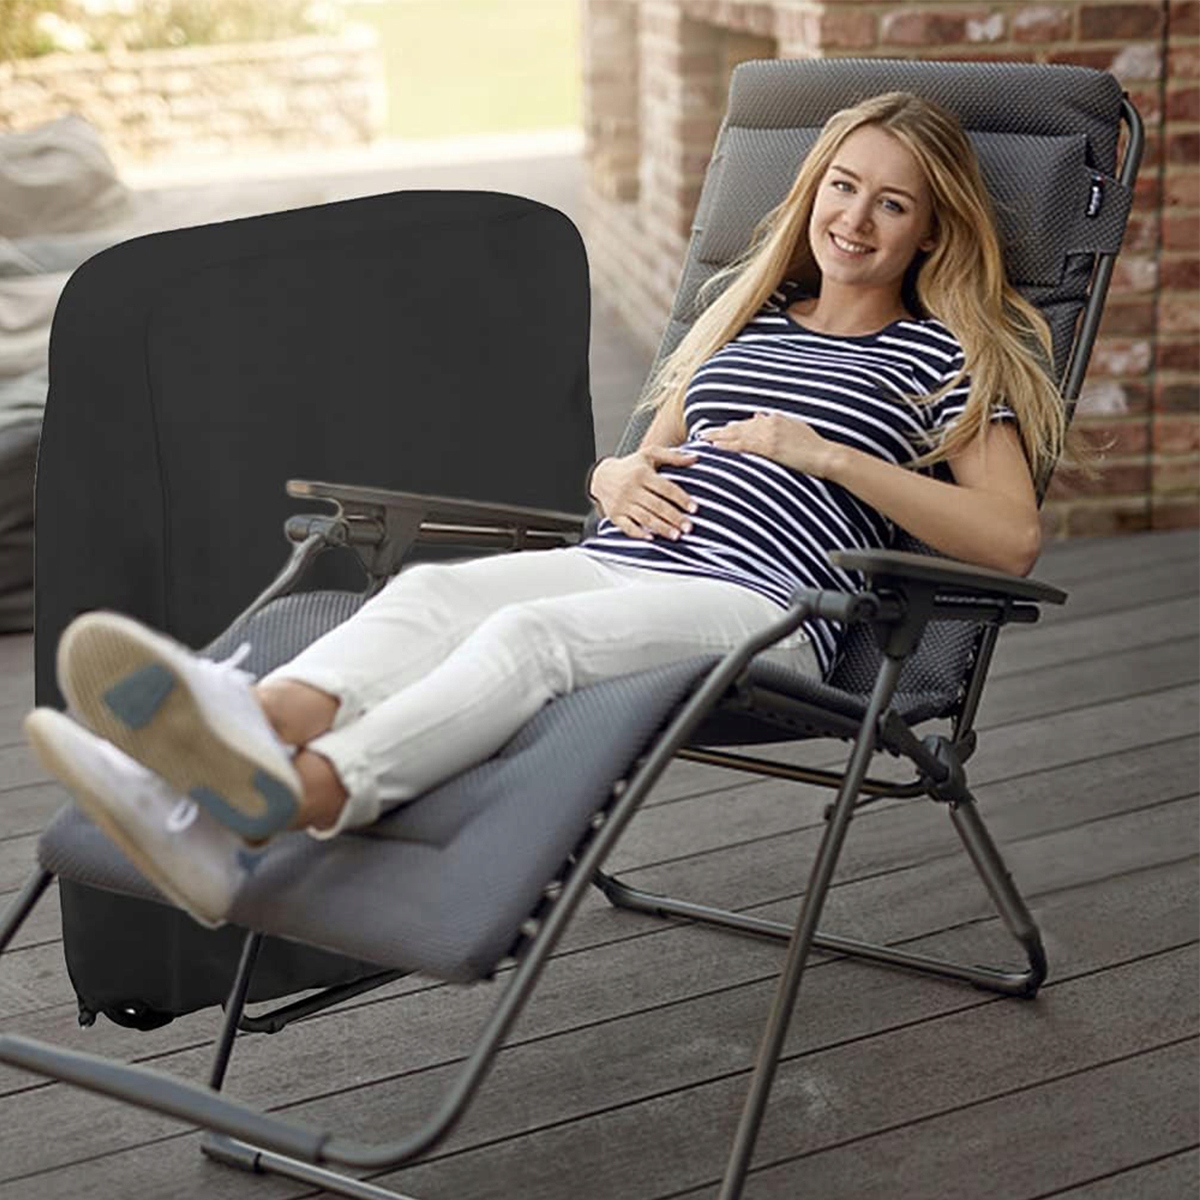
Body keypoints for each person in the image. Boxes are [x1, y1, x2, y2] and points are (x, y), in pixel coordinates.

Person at [24, 92, 1064, 929]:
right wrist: (610, 479)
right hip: (626, 563)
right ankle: (230, 751)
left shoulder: (946, 357)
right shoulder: (744, 319)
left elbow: (1011, 539)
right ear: (814, 190)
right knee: (428, 599)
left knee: (529, 638)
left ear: (931, 231)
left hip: (768, 608)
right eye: (844, 186)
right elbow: (645, 457)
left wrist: (825, 453)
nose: (856, 219)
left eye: (893, 204)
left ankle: (304, 797)